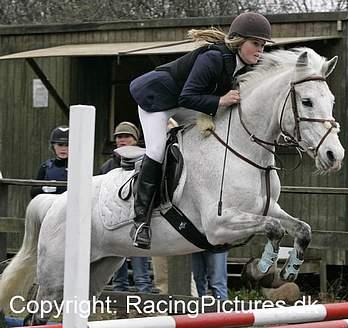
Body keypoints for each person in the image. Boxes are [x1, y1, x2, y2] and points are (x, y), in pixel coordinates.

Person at [129, 12, 273, 249]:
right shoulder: (214, 58)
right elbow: (188, 95)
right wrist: (221, 101)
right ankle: (141, 222)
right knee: (156, 150)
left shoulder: (241, 66)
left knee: (215, 130)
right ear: (239, 42)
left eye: (263, 45)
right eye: (255, 44)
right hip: (157, 101)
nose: (260, 50)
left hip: (183, 103)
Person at [99, 122, 153, 295]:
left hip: (136, 225)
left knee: (141, 277)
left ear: (135, 140)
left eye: (126, 136)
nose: (122, 140)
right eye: (119, 137)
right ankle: (119, 314)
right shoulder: (107, 166)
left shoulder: (147, 163)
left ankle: (144, 315)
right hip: (113, 227)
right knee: (118, 278)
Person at [30, 126, 69, 198]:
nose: (63, 149)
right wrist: (44, 189)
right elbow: (33, 192)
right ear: (53, 146)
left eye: (67, 145)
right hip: (50, 207)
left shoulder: (78, 169)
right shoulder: (46, 166)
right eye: (60, 145)